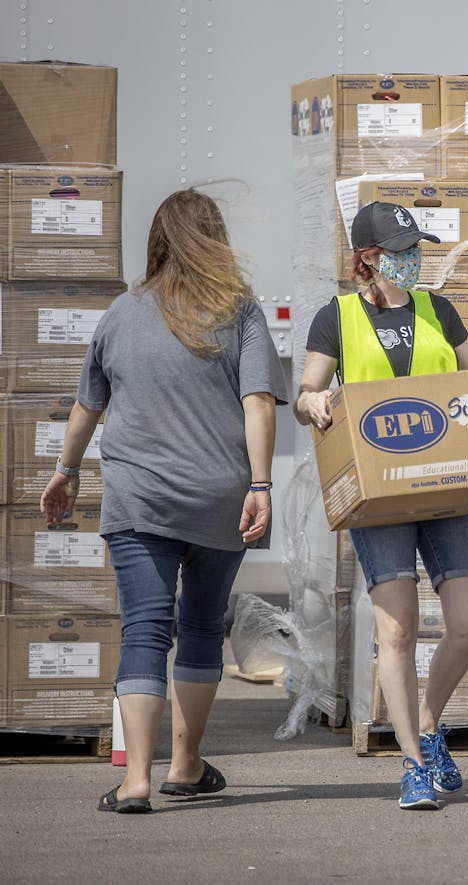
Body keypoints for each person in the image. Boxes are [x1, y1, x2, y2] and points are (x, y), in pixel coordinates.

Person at [39, 189, 287, 815]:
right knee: (202, 626)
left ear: (156, 243)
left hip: (141, 500)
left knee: (145, 630)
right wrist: (260, 485)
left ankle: (137, 780)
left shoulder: (121, 313)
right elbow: (258, 403)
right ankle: (187, 763)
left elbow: (86, 408)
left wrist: (65, 471)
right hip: (219, 500)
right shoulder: (241, 313)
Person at [294, 201, 468, 810]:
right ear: (368, 258)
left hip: (445, 484)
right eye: (400, 252)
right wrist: (314, 404)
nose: (413, 260)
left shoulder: (440, 310)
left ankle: (429, 723)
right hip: (380, 494)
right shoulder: (338, 317)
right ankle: (411, 762)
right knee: (398, 628)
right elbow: (307, 390)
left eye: (416, 249)